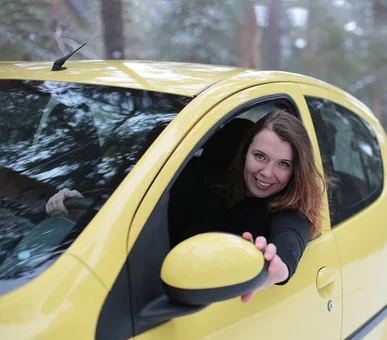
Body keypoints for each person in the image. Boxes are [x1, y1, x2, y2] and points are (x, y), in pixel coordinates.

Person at [46, 109, 328, 303]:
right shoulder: (202, 179)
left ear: (296, 170)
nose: (267, 172)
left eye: (283, 164)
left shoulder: (291, 213)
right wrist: (83, 202)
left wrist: (276, 269)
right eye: (260, 156)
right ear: (245, 152)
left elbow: (289, 245)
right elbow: (143, 200)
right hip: (126, 281)